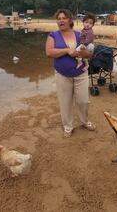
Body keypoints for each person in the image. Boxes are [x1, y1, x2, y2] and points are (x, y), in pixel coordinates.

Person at [45, 9, 96, 138]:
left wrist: (80, 53)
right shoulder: (53, 35)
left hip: (81, 73)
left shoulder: (80, 35)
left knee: (83, 101)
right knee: (65, 102)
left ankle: (84, 121)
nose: (61, 20)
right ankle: (68, 126)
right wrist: (67, 50)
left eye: (64, 18)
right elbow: (49, 52)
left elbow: (89, 54)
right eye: (59, 18)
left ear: (70, 20)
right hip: (62, 74)